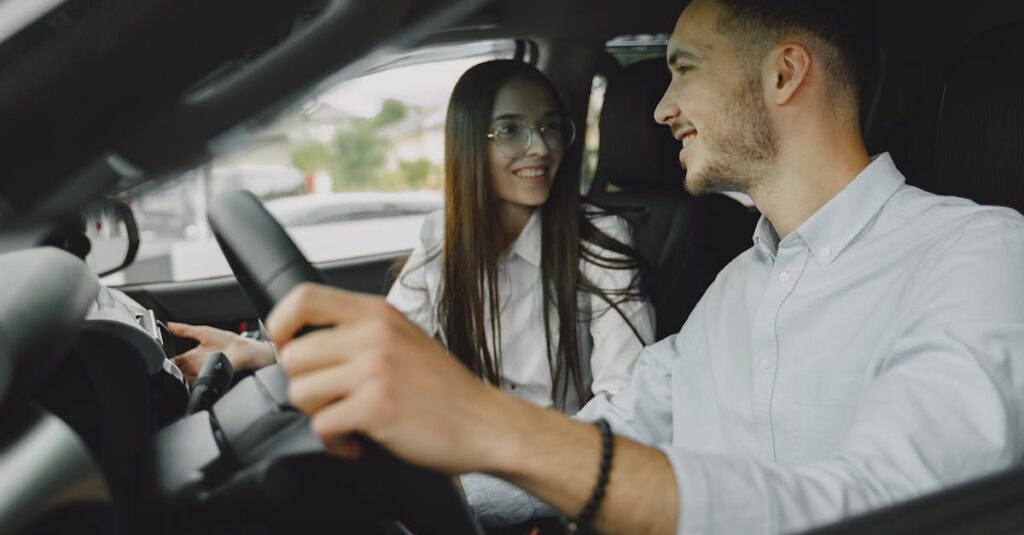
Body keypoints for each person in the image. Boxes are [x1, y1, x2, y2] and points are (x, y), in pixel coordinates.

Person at [268, 0, 1024, 533]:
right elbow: (618, 425)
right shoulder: (736, 288)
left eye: (682, 69)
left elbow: (886, 506)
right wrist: (405, 479)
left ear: (784, 74)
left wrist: (492, 426)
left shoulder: (977, 253)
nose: (660, 109)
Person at [170, 60, 654, 414]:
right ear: (469, 142)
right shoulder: (445, 237)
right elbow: (390, 339)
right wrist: (264, 353)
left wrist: (484, 487)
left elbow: (627, 407)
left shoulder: (598, 241)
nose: (542, 147)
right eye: (511, 129)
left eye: (550, 128)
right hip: (454, 448)